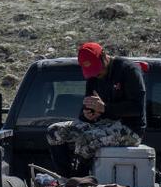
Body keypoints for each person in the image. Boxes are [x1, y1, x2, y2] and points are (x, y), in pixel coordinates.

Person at [47, 42, 146, 177]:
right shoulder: (93, 77)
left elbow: (137, 108)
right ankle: (66, 178)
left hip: (129, 129)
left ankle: (79, 182)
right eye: (92, 71)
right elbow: (87, 107)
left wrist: (105, 108)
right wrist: (86, 115)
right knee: (55, 132)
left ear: (104, 56)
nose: (97, 74)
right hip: (101, 123)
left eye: (98, 69)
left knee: (86, 140)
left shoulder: (128, 70)